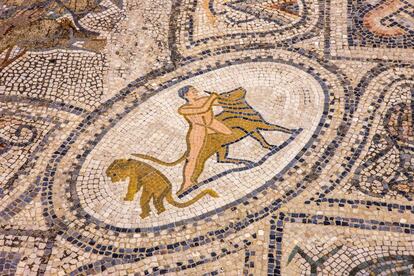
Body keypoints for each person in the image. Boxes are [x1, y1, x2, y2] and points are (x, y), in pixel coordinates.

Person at [177, 85, 232, 194]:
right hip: (198, 130)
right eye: (193, 91)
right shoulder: (183, 109)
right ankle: (187, 183)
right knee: (193, 157)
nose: (196, 91)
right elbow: (202, 109)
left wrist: (225, 98)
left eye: (195, 89)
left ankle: (222, 157)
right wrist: (211, 98)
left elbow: (222, 101)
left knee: (230, 134)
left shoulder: (203, 100)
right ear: (186, 95)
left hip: (212, 124)